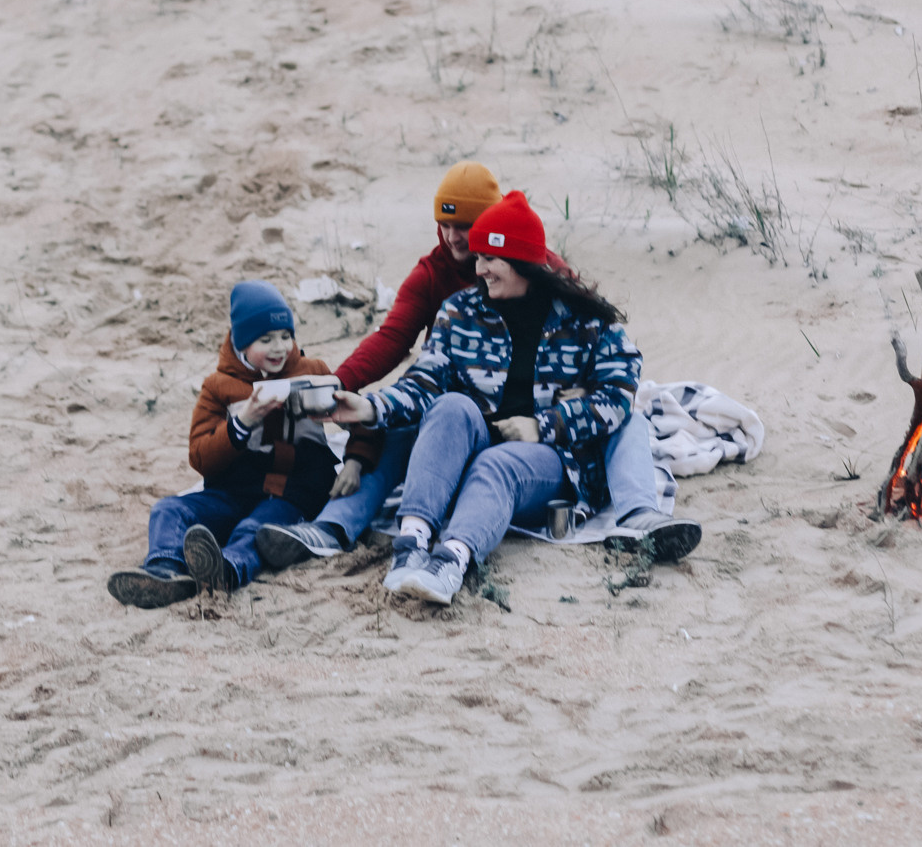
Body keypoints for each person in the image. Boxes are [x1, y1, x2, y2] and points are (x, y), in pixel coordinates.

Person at [256, 165, 698, 569]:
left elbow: (611, 375)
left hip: (536, 447)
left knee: (627, 421)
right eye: (444, 226)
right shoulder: (449, 298)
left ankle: (641, 518)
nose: (456, 241)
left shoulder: (564, 298)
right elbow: (406, 356)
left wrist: (551, 420)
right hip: (458, 426)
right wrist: (352, 396)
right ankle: (332, 527)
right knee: (410, 421)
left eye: (467, 229)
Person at [330, 191, 640, 606]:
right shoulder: (460, 312)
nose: (479, 270)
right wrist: (370, 407)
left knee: (498, 463)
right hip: (475, 445)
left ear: (522, 261)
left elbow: (619, 395)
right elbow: (425, 380)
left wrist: (544, 425)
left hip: (551, 459)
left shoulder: (584, 321)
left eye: (490, 260)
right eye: (477, 259)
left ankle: (451, 560)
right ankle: (411, 545)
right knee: (449, 406)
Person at [106, 281, 363, 607]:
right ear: (242, 342)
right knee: (168, 510)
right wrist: (241, 423)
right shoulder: (219, 387)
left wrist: (354, 461)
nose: (279, 348)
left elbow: (359, 420)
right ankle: (165, 571)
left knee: (254, 530)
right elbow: (200, 457)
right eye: (265, 339)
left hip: (292, 492)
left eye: (286, 336)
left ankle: (225, 570)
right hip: (234, 491)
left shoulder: (313, 373)